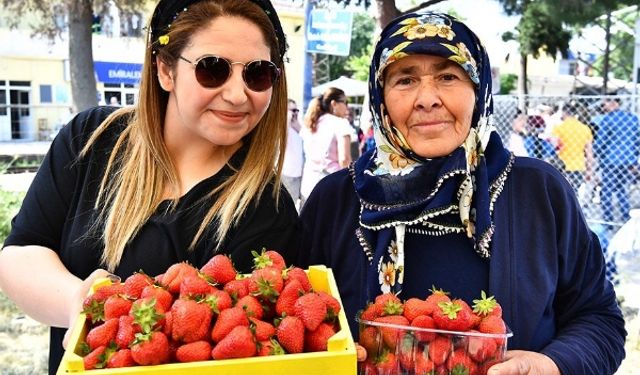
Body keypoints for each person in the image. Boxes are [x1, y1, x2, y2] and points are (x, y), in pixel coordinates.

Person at [297, 11, 626, 374]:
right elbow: (294, 321)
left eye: (448, 76)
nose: (427, 98)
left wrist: (551, 364)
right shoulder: (336, 200)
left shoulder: (539, 192)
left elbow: (599, 319)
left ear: (478, 89)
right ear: (381, 99)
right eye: (405, 80)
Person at [0, 0, 297, 373]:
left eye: (257, 74)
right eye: (212, 69)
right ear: (165, 69)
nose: (238, 94)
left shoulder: (268, 209)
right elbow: (21, 252)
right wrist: (79, 301)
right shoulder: (92, 140)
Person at [299, 87, 352, 205]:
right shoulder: (341, 123)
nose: (346, 107)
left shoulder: (311, 122)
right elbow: (345, 160)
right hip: (331, 186)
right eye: (345, 102)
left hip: (308, 184)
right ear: (334, 104)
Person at [594, 95, 640, 225]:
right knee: (622, 189)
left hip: (610, 160)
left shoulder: (607, 120)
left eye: (605, 104)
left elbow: (601, 141)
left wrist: (598, 154)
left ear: (613, 102)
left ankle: (608, 220)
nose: (604, 107)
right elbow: (637, 141)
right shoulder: (633, 119)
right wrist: (634, 159)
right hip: (627, 160)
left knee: (606, 190)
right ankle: (625, 218)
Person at [552, 104, 594, 192]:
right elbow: (589, 152)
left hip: (562, 165)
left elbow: (554, 145)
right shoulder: (585, 128)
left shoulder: (559, 128)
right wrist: (589, 170)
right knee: (574, 193)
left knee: (561, 193)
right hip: (578, 166)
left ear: (564, 113)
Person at [282, 98, 304, 209]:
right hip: (288, 174)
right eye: (292, 110)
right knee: (287, 206)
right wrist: (286, 119)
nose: (295, 113)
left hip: (299, 174)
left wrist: (298, 126)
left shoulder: (297, 127)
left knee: (294, 205)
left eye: (296, 110)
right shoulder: (282, 127)